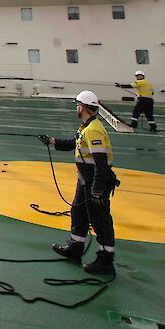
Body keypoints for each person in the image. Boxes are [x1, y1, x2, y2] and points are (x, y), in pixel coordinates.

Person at [39, 90, 118, 276]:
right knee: (78, 213)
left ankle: (106, 260)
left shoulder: (93, 130)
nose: (77, 108)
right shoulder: (85, 128)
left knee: (100, 221)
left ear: (82, 107)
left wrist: (97, 190)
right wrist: (51, 141)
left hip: (94, 182)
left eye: (77, 105)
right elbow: (73, 144)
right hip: (85, 181)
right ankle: (75, 248)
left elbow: (100, 163)